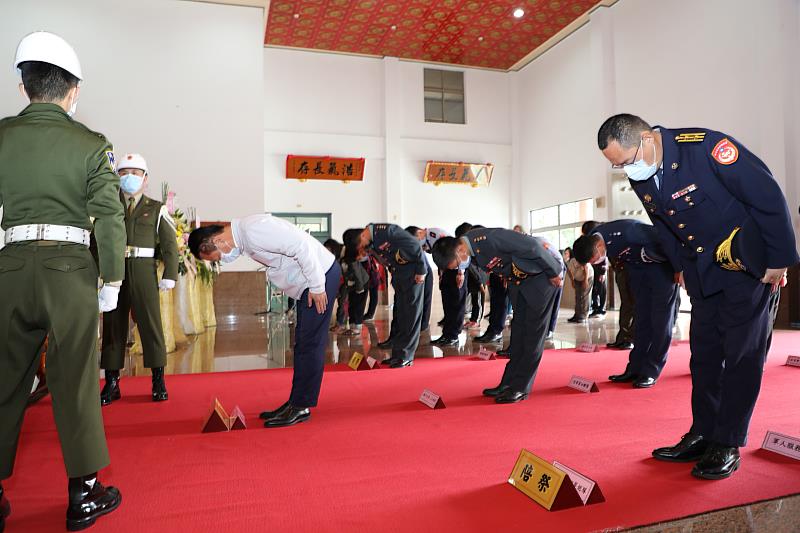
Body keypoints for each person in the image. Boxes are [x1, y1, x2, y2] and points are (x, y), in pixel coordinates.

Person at [597, 113, 798, 480]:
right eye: (617, 166)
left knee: (741, 356)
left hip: (745, 265)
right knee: (704, 356)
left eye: (626, 161)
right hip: (702, 273)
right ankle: (703, 432)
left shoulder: (705, 148)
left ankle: (727, 442)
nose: (626, 170)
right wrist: (680, 269)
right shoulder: (642, 174)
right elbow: (665, 226)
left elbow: (767, 195)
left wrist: (780, 259)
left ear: (647, 139)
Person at [0, 31, 125, 531]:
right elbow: (109, 216)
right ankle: (84, 493)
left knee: (4, 380)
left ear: (23, 87)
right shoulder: (91, 145)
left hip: (9, 269)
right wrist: (112, 279)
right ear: (73, 91)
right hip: (69, 271)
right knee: (74, 381)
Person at [189, 215, 340, 427]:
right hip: (311, 279)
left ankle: (301, 406)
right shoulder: (244, 237)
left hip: (319, 276)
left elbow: (301, 245)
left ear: (217, 241)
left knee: (310, 342)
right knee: (303, 343)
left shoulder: (253, 231)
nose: (221, 260)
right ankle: (296, 402)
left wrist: (317, 286)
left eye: (215, 258)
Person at [432, 228, 563, 403]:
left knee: (532, 333)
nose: (458, 267)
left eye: (456, 264)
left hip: (541, 277)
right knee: (518, 332)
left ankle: (521, 387)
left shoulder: (489, 239)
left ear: (460, 250)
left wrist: (554, 271)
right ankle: (508, 382)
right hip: (519, 281)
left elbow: (532, 246)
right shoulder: (471, 249)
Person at [100, 153, 178, 405]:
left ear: (145, 179)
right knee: (113, 325)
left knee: (151, 324)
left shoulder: (156, 208)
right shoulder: (109, 206)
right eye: (124, 173)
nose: (129, 177)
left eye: (135, 173)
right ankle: (112, 382)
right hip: (115, 270)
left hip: (144, 270)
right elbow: (97, 240)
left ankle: (158, 379)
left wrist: (170, 274)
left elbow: (169, 244)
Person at [573, 219, 679, 388]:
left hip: (660, 270)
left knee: (661, 322)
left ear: (599, 246)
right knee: (641, 320)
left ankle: (652, 370)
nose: (595, 263)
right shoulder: (590, 239)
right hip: (637, 272)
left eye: (594, 260)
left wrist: (679, 268)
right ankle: (635, 368)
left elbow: (666, 240)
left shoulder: (630, 232)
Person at [343, 224, 426, 367]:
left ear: (362, 236)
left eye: (361, 247)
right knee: (401, 316)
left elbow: (414, 245)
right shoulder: (373, 242)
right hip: (400, 276)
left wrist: (421, 271)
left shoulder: (387, 232)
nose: (363, 251)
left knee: (411, 316)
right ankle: (398, 355)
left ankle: (406, 356)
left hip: (415, 275)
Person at [431, 225, 468, 347]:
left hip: (458, 273)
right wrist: (441, 274)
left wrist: (461, 273)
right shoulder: (446, 246)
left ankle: (453, 335)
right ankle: (446, 334)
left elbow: (465, 259)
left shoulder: (463, 248)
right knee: (447, 304)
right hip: (448, 272)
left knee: (457, 304)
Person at [406, 226, 434, 332]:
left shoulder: (417, 245)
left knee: (426, 299)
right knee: (419, 300)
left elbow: (423, 265)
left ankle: (424, 325)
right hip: (419, 273)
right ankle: (419, 324)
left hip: (425, 273)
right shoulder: (412, 245)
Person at [565, 247, 593, 323]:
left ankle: (584, 315)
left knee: (584, 295)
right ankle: (577, 315)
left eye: (566, 253)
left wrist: (585, 281)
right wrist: (572, 281)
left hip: (588, 276)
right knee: (577, 296)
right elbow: (569, 272)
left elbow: (586, 269)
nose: (565, 255)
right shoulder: (570, 262)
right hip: (578, 278)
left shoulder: (580, 258)